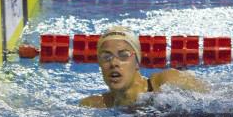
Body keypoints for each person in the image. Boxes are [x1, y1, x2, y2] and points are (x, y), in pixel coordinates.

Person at [80, 25, 208, 108]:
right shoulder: (94, 104)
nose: (114, 63)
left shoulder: (167, 82)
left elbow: (215, 100)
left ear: (137, 62)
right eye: (106, 57)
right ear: (100, 64)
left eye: (123, 55)